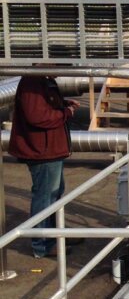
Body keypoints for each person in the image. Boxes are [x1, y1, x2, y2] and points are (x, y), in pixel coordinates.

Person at [8, 74, 79, 259]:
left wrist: (62, 104)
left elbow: (41, 109)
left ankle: (55, 235)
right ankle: (42, 244)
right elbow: (38, 116)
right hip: (42, 151)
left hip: (48, 149)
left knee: (53, 194)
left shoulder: (42, 80)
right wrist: (66, 112)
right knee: (45, 196)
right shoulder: (33, 81)